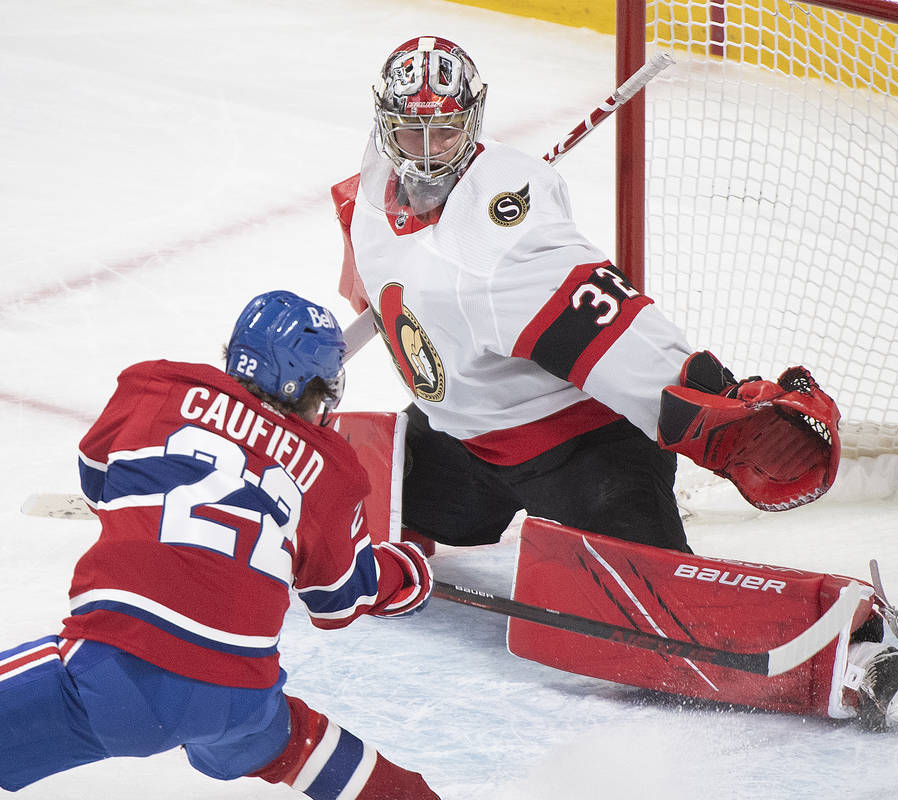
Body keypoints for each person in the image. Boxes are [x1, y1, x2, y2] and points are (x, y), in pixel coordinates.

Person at [331, 35, 842, 556]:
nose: (426, 153)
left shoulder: (505, 250)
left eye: (444, 132)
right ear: (383, 125)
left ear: (472, 121)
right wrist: (359, 248)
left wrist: (721, 411)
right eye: (409, 133)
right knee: (351, 490)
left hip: (580, 446)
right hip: (463, 437)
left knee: (644, 597)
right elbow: (362, 206)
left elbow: (615, 330)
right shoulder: (376, 196)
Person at [0, 291, 441, 799]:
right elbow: (341, 598)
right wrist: (404, 574)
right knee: (292, 743)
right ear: (306, 387)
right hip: (240, 701)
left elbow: (98, 478)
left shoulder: (154, 386)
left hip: (116, 675)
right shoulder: (331, 467)